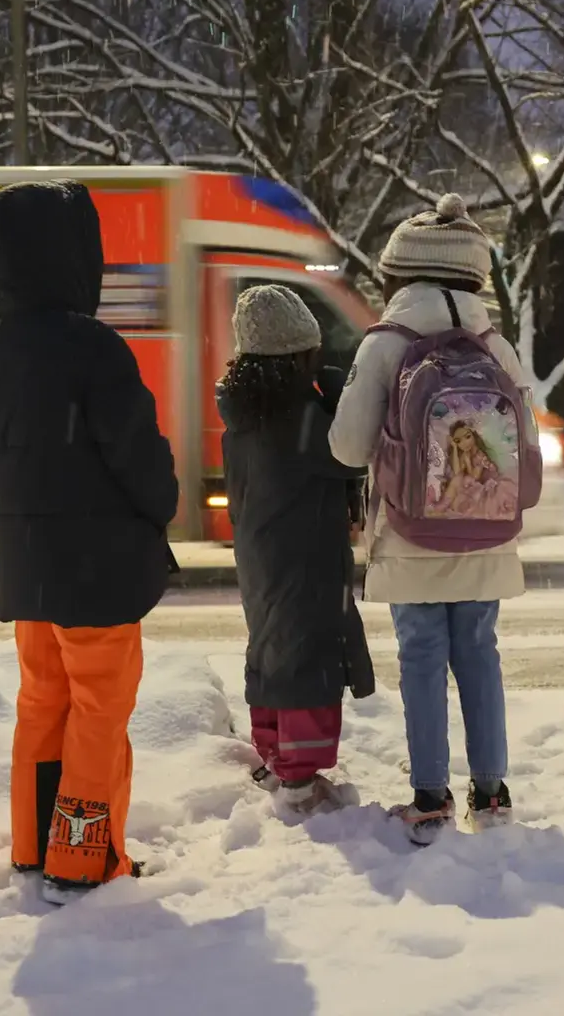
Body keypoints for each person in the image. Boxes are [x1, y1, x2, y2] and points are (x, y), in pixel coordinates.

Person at [0, 180, 179, 905]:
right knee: (98, 709)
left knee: (42, 702)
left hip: (30, 571)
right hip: (98, 571)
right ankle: (82, 860)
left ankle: (33, 844)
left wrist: (28, 512)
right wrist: (158, 508)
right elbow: (138, 458)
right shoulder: (95, 349)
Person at [329, 193, 533, 845]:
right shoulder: (495, 343)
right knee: (479, 649)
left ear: (400, 272)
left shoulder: (388, 342)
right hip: (485, 526)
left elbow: (347, 445)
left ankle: (429, 795)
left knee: (421, 653)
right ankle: (493, 791)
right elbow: (525, 447)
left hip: (412, 529)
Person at [218, 284, 375, 818]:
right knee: (306, 655)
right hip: (304, 556)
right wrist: (334, 391)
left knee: (272, 648)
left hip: (260, 556)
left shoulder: (242, 415)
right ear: (298, 355)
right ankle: (300, 785)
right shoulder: (302, 417)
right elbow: (351, 455)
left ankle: (277, 756)